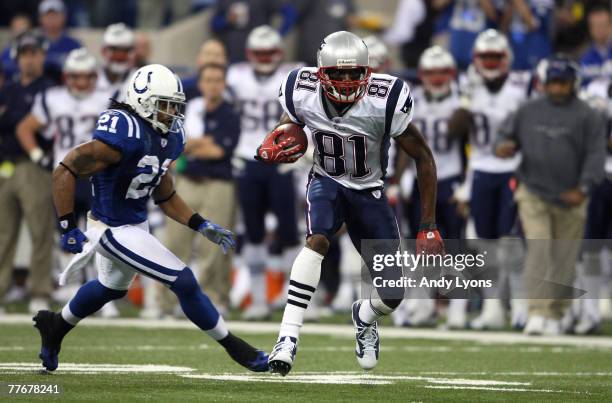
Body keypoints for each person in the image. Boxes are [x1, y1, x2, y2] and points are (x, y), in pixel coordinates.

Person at [32, 63, 269, 373]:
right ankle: (235, 347)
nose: (172, 113)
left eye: (175, 106)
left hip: (134, 222)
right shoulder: (124, 131)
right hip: (110, 227)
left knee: (111, 288)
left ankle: (56, 327)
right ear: (142, 101)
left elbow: (164, 192)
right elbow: (65, 168)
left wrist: (200, 223)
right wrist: (66, 224)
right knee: (184, 281)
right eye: (165, 105)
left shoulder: (171, 136)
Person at [259, 31, 443, 376]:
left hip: (369, 191)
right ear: (320, 72)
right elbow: (291, 124)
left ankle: (364, 315)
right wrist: (279, 134)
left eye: (354, 72)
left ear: (368, 72)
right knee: (317, 241)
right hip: (326, 182)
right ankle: (286, 338)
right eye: (338, 73)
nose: (346, 81)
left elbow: (423, 156)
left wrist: (428, 224)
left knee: (392, 294)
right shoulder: (299, 89)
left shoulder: (385, 98)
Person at [495, 55, 606, 335]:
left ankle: (555, 313)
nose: (557, 88)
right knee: (539, 248)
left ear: (573, 84)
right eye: (553, 82)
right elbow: (503, 137)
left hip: (572, 197)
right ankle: (536, 312)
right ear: (544, 84)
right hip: (534, 191)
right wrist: (504, 146)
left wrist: (583, 188)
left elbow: (596, 155)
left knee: (565, 260)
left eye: (563, 83)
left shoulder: (588, 115)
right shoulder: (528, 110)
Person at [16, 48, 117, 317]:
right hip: (65, 176)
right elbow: (25, 128)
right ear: (66, 77)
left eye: (86, 77)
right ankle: (71, 287)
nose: (81, 83)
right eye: (75, 77)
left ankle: (100, 291)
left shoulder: (108, 99)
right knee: (67, 232)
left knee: (100, 233)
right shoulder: (52, 98)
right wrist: (38, 155)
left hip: (97, 174)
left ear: (94, 76)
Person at [449, 29, 530, 330]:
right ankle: (493, 308)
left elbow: (531, 128)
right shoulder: (469, 86)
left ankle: (520, 306)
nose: (492, 63)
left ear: (506, 57)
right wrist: (467, 97)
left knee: (511, 242)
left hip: (513, 169)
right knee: (485, 245)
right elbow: (454, 130)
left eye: (496, 57)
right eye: (486, 57)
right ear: (476, 59)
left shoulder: (522, 86)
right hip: (482, 169)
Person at [227, 25, 302, 320]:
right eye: (259, 53)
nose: (264, 58)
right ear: (249, 54)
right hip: (248, 158)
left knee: (288, 232)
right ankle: (258, 298)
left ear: (280, 53)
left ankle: (290, 297)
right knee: (253, 232)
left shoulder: (293, 75)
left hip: (282, 161)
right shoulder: (235, 76)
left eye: (270, 52)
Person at [395, 46, 467, 328]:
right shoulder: (411, 100)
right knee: (420, 247)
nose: (437, 78)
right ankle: (424, 306)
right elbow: (404, 145)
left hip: (450, 179)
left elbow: (464, 138)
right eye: (431, 73)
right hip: (420, 182)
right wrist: (398, 179)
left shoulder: (463, 100)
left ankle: (457, 309)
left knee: (455, 248)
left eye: (442, 72)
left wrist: (468, 182)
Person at [163, 63, 241, 314]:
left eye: (218, 80)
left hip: (218, 184)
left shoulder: (230, 113)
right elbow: (177, 144)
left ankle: (212, 300)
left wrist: (193, 147)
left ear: (224, 83)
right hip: (187, 181)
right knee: (175, 242)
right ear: (201, 83)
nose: (213, 84)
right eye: (208, 79)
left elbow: (219, 151)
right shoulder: (189, 109)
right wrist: (199, 144)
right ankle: (170, 302)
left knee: (214, 247)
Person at [0, 31, 56, 314]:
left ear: (43, 56)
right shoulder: (7, 89)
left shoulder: (50, 89)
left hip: (35, 166)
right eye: (25, 54)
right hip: (5, 167)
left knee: (40, 231)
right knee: (3, 233)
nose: (30, 59)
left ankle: (40, 291)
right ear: (17, 57)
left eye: (34, 53)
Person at [211, 0, 298, 63]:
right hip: (233, 54)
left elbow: (289, 11)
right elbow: (214, 25)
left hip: (261, 53)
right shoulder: (224, 1)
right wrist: (227, 20)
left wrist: (279, 34)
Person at [37, 0, 82, 83]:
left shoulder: (74, 44)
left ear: (64, 17)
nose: (52, 20)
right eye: (48, 16)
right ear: (41, 18)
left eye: (55, 15)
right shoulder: (33, 42)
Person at [97, 23, 136, 99]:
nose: (119, 56)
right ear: (103, 51)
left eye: (125, 51)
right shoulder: (92, 78)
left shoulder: (139, 80)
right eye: (114, 50)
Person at [580, 5, 611, 85]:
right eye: (596, 26)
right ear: (590, 29)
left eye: (603, 25)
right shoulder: (585, 57)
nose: (600, 30)